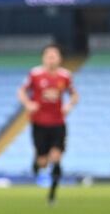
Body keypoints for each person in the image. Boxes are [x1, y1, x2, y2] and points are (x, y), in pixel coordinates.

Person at [18, 44, 78, 205]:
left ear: (59, 58)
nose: (51, 59)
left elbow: (74, 95)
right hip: (39, 123)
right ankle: (37, 159)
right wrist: (28, 104)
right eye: (48, 56)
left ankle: (52, 195)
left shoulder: (65, 76)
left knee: (56, 157)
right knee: (43, 162)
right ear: (44, 58)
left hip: (58, 123)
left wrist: (69, 106)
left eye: (54, 56)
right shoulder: (35, 74)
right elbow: (22, 91)